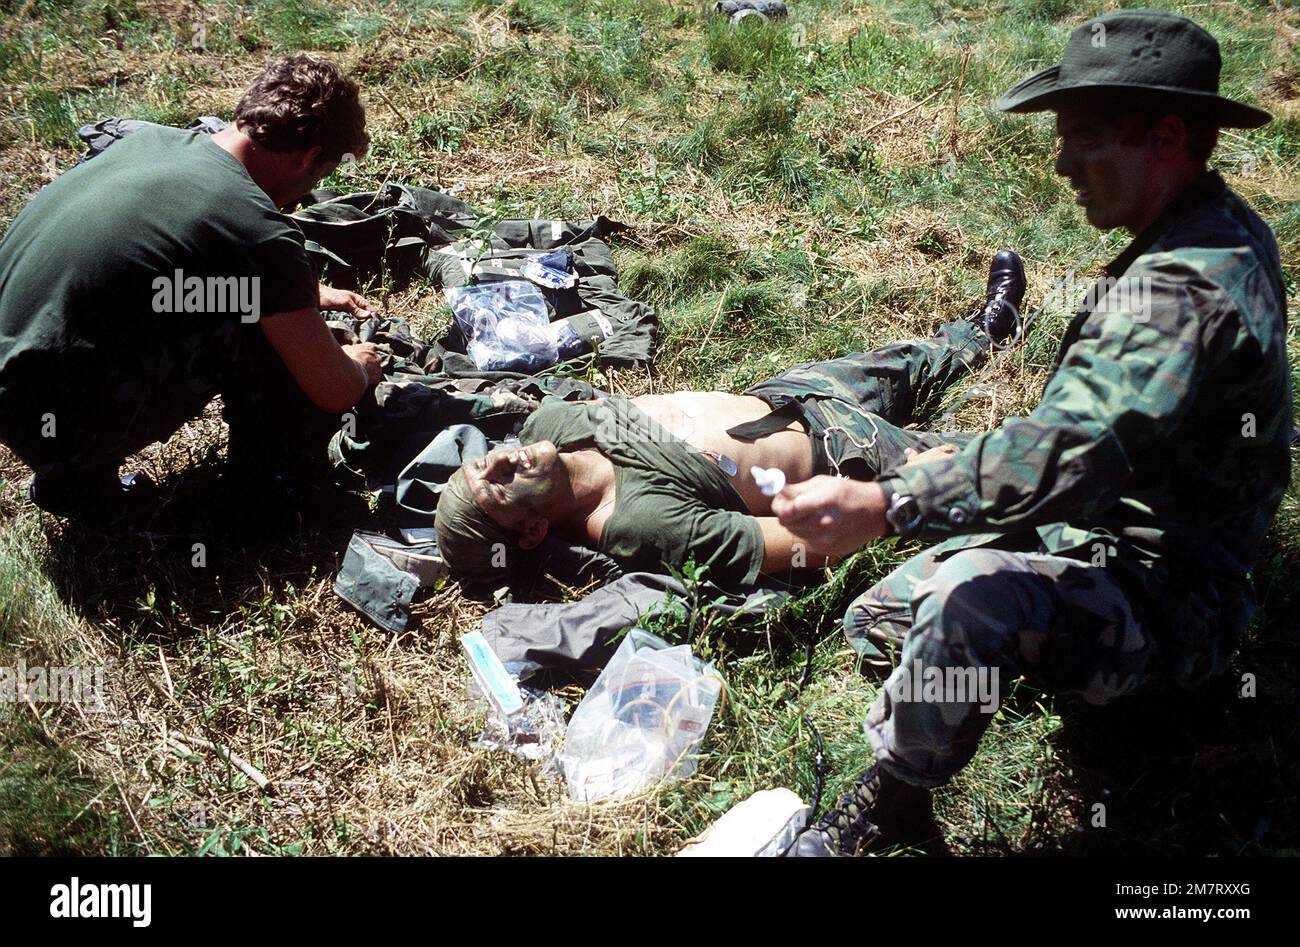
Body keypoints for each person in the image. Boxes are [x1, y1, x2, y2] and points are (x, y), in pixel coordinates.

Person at [774, 10, 1291, 856]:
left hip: (1176, 594)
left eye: (1083, 140)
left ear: (1165, 136)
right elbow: (1091, 436)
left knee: (968, 598)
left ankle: (893, 805)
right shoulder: (1213, 226)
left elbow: (1073, 449)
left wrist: (888, 502)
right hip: (1112, 527)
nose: (1062, 165)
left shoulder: (1180, 292)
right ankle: (1021, 662)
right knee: (879, 619)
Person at [433, 251, 1026, 588]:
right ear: (533, 531)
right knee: (1007, 464)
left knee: (908, 359)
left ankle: (982, 332)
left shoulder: (552, 429)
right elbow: (797, 543)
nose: (507, 458)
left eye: (487, 460)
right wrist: (900, 497)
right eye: (500, 485)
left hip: (786, 397)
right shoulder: (637, 524)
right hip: (847, 457)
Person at [0, 54, 386, 525]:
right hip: (58, 419)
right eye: (318, 176)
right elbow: (331, 390)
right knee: (255, 333)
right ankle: (263, 497)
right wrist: (356, 368)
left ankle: (73, 478)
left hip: (15, 384)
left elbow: (137, 268)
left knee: (230, 310)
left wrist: (301, 294)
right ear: (307, 157)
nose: (308, 192)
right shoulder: (257, 229)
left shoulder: (149, 141)